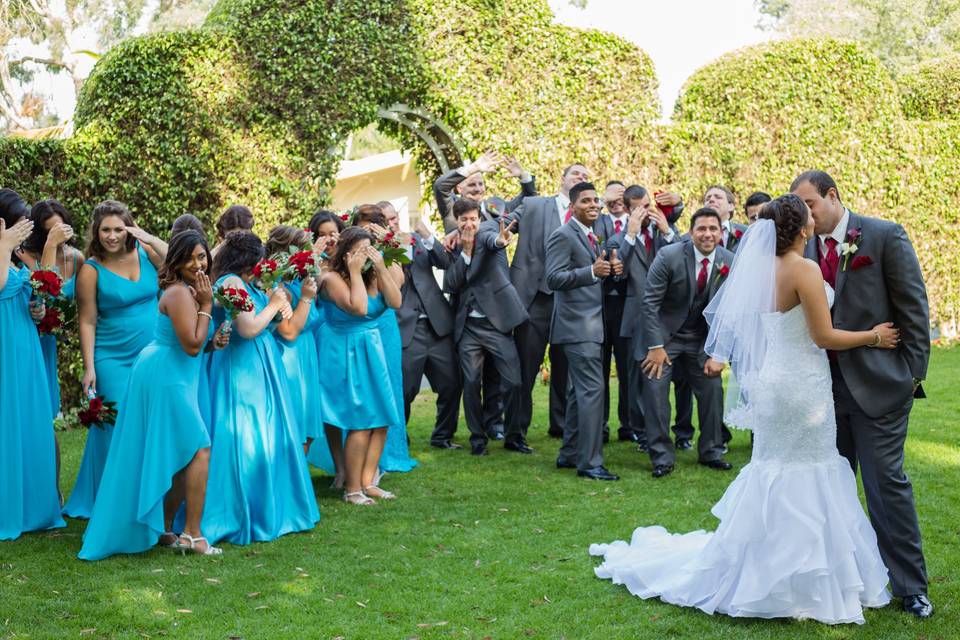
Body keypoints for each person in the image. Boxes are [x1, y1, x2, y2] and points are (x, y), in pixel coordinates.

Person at [590, 193, 899, 625]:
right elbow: (824, 336)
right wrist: (874, 336)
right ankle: (802, 581)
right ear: (801, 227)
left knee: (775, 468)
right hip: (802, 386)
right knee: (809, 467)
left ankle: (766, 570)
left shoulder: (759, 268)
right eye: (808, 216)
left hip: (774, 381)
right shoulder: (804, 269)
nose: (814, 220)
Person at [793, 170, 933, 618]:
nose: (806, 215)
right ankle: (842, 580)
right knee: (830, 489)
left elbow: (913, 306)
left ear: (832, 196)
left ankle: (911, 586)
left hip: (880, 388)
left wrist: (911, 376)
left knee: (884, 486)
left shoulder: (883, 235)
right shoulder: (802, 249)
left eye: (811, 204)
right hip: (822, 393)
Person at [78, 231, 230, 560]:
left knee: (181, 451)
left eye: (202, 256)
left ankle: (165, 529)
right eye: (189, 257)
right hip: (165, 375)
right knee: (200, 448)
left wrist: (212, 340)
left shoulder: (189, 290)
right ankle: (193, 535)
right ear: (175, 259)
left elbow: (195, 343)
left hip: (173, 372)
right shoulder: (178, 293)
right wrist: (206, 305)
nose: (197, 263)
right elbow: (191, 345)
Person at [203, 232, 319, 542]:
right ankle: (245, 511)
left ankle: (272, 506)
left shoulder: (247, 283)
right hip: (241, 369)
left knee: (267, 435)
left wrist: (274, 301)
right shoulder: (230, 283)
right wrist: (275, 303)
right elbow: (249, 327)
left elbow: (275, 325)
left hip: (261, 364)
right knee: (247, 437)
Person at [65, 200, 166, 518]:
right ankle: (113, 502)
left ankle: (146, 498)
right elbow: (87, 320)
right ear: (96, 232)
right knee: (117, 425)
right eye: (105, 229)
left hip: (152, 354)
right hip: (111, 358)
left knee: (151, 425)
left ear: (129, 229)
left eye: (118, 229)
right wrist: (90, 367)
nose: (111, 236)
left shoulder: (147, 254)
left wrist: (147, 237)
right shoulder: (90, 270)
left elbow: (179, 262)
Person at [639, 208, 734, 478]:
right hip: (664, 338)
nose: (707, 234)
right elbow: (649, 303)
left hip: (701, 340)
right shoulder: (669, 256)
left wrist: (718, 353)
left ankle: (712, 451)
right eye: (701, 229)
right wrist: (655, 347)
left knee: (712, 391)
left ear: (720, 232)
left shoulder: (730, 262)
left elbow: (731, 312)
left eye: (713, 229)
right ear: (691, 232)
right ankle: (661, 457)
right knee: (656, 394)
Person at [317, 226, 405, 504]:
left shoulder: (374, 274)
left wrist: (380, 266)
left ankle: (368, 481)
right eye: (358, 252)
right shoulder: (331, 279)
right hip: (345, 350)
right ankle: (352, 488)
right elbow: (359, 308)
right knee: (360, 420)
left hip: (372, 347)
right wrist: (354, 272)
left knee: (382, 418)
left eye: (368, 251)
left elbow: (395, 301)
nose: (363, 257)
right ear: (345, 254)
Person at [0, 192, 65, 540]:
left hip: (25, 344)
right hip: (4, 348)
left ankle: (35, 505)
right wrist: (2, 242)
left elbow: (43, 283)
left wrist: (37, 308)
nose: (26, 225)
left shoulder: (16, 258)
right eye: (20, 219)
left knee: (29, 420)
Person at [507, 163, 589, 440]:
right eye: (576, 173)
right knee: (526, 367)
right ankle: (515, 431)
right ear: (562, 179)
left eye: (586, 176)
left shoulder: (589, 213)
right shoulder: (534, 205)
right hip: (535, 298)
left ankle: (561, 426)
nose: (582, 177)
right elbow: (503, 223)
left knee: (564, 368)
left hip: (569, 302)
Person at [546, 182, 621, 480]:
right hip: (577, 326)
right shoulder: (563, 235)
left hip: (589, 324)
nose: (594, 205)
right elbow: (553, 277)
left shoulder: (593, 235)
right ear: (573, 205)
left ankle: (569, 453)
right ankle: (590, 463)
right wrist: (591, 272)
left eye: (596, 201)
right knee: (592, 391)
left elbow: (592, 275)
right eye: (586, 201)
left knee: (579, 392)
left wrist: (608, 270)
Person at [443, 198, 528, 456]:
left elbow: (495, 240)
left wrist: (501, 241)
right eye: (464, 220)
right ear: (456, 222)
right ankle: (477, 438)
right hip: (468, 325)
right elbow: (451, 284)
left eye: (473, 218)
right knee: (470, 383)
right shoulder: (453, 245)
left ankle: (514, 436)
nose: (469, 224)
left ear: (479, 219)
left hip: (497, 322)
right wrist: (466, 254)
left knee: (513, 382)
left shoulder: (490, 231)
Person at [350, 205, 418, 474]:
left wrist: (384, 249)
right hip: (356, 324)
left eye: (371, 228)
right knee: (359, 391)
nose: (366, 234)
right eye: (362, 228)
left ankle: (388, 453)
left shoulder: (387, 252)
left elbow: (398, 283)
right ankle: (355, 458)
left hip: (384, 324)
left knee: (387, 385)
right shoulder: (350, 254)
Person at [616, 185, 679, 450]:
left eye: (647, 205)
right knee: (635, 379)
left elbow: (680, 258)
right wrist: (630, 234)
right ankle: (639, 432)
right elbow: (618, 271)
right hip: (634, 318)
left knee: (661, 380)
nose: (646, 211)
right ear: (629, 209)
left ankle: (664, 432)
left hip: (665, 317)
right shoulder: (620, 236)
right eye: (639, 207)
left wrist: (666, 230)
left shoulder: (660, 230)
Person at [394, 209, 462, 449]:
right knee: (405, 390)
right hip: (405, 328)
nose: (393, 222)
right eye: (388, 219)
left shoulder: (416, 239)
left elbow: (446, 262)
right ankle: (400, 437)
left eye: (395, 217)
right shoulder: (375, 250)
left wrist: (427, 235)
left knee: (452, 382)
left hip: (437, 324)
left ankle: (442, 436)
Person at [17, 199, 85, 421]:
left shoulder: (76, 258)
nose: (59, 236)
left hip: (49, 339)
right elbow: (42, 289)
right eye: (51, 232)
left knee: (48, 407)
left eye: (62, 229)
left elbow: (82, 305)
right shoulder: (24, 256)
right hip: (26, 334)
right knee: (30, 407)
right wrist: (50, 246)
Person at [265, 226, 324, 454]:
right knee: (294, 428)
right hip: (289, 356)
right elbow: (288, 331)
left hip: (306, 353)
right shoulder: (277, 286)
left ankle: (300, 483)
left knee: (306, 430)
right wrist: (307, 299)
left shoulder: (298, 280)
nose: (309, 256)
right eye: (304, 251)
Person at [306, 210, 345, 477]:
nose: (328, 239)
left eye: (332, 233)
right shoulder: (310, 264)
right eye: (322, 235)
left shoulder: (349, 260)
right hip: (319, 334)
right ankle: (340, 468)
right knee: (328, 403)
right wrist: (312, 260)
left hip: (346, 332)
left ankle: (356, 466)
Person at [703, 185, 748, 253]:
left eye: (718, 197)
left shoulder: (747, 233)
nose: (711, 200)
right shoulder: (689, 238)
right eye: (707, 198)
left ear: (730, 206)